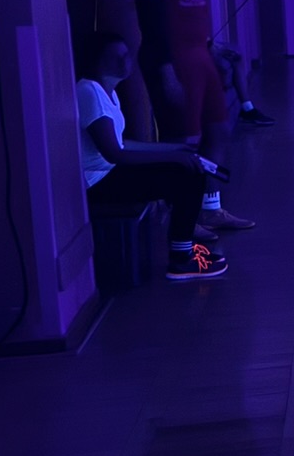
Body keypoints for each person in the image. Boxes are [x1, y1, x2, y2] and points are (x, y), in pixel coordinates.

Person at [130, 0, 250, 230]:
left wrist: (212, 49)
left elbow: (191, 16)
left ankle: (210, 208)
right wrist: (166, 71)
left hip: (201, 58)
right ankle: (181, 215)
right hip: (174, 62)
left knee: (218, 130)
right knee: (182, 141)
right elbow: (151, 23)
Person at [76, 33, 227, 281]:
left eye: (126, 55)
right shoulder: (89, 91)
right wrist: (172, 158)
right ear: (97, 61)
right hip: (98, 182)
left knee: (187, 168)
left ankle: (184, 250)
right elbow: (114, 154)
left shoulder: (107, 92)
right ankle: (181, 259)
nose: (125, 62)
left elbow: (122, 142)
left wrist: (173, 150)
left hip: (108, 174)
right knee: (187, 176)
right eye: (115, 57)